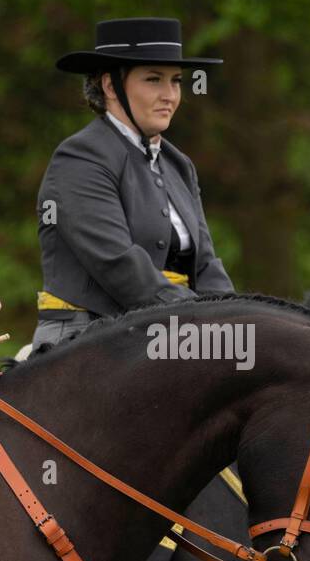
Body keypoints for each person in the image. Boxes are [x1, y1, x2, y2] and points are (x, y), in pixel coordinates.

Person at [29, 17, 234, 349]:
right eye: (154, 80)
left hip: (165, 335)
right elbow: (119, 266)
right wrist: (204, 320)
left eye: (176, 81)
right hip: (87, 339)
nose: (170, 95)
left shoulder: (178, 164)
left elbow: (206, 266)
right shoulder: (81, 158)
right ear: (111, 86)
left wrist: (246, 317)